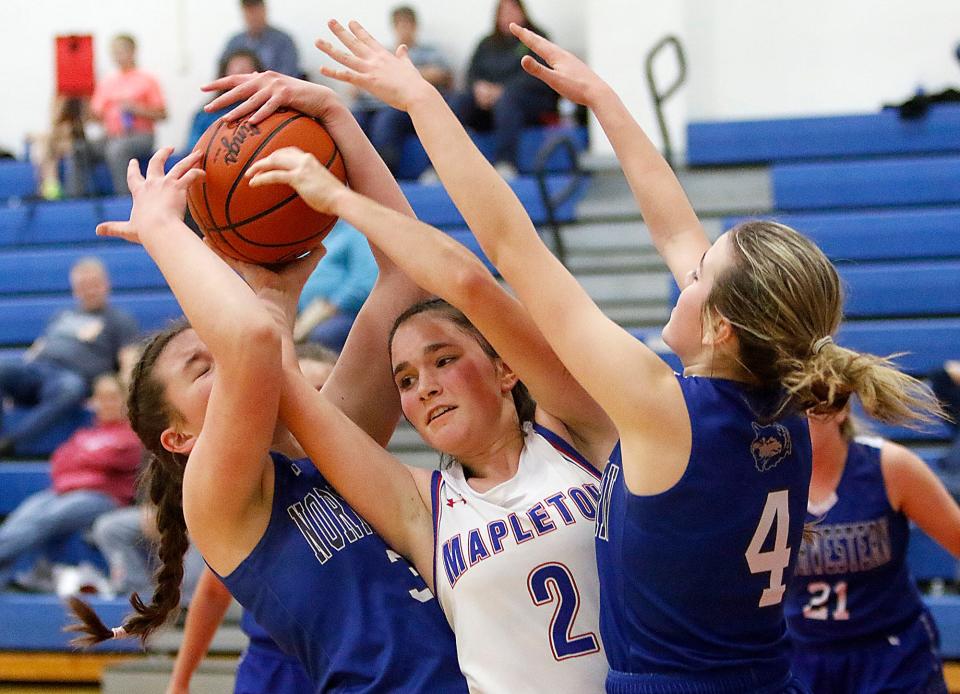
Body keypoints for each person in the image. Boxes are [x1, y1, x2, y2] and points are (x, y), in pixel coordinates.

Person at [313, 19, 945, 692]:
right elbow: (675, 227)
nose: (687, 271)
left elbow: (508, 245)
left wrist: (416, 107)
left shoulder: (661, 406)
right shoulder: (784, 395)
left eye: (699, 277)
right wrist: (605, 101)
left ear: (722, 326)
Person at [207, 63, 617, 691]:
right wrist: (266, 291)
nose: (422, 386)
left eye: (444, 360)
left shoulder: (580, 431)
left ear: (506, 367)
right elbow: (292, 395)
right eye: (403, 379)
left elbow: (459, 278)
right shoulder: (422, 506)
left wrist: (338, 119)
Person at [65, 88, 467, 692]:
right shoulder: (218, 500)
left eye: (215, 349)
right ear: (181, 437)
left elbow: (407, 268)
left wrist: (336, 118)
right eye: (205, 368)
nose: (225, 364)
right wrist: (161, 228)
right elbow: (250, 342)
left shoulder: (327, 445)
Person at [166, 343, 336, 694]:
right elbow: (213, 594)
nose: (308, 404)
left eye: (321, 392)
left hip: (351, 663)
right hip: (274, 668)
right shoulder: (252, 492)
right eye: (297, 392)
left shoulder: (364, 478)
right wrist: (180, 680)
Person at [784, 407, 957, 693]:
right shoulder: (766, 474)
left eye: (807, 411)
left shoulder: (889, 465)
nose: (795, 423)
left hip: (891, 653)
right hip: (801, 654)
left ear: (839, 411)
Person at [0, 374, 141, 590]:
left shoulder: (134, 435)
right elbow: (60, 460)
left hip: (104, 497)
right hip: (64, 491)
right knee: (26, 512)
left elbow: (120, 459)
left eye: (113, 397)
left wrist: (82, 461)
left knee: (45, 518)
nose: (107, 404)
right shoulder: (85, 434)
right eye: (102, 398)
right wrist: (89, 462)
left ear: (125, 400)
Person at [0, 257, 139, 456]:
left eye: (94, 284)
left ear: (106, 284)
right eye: (83, 285)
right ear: (75, 289)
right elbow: (37, 349)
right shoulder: (61, 316)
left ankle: (11, 442)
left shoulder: (120, 320)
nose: (89, 290)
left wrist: (121, 394)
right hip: (38, 370)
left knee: (70, 389)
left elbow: (129, 361)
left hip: (71, 377)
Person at [448, 0, 557, 178]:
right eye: (503, 12)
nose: (508, 16)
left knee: (507, 99)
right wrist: (479, 88)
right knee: (459, 101)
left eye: (512, 10)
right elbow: (472, 74)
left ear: (522, 12)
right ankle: (441, 165)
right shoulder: (486, 43)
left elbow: (541, 75)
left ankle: (505, 163)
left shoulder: (537, 38)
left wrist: (501, 90)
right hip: (487, 107)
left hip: (526, 104)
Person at [351, 5, 452, 175]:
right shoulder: (382, 53)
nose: (404, 29)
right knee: (352, 119)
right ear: (394, 27)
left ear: (415, 26)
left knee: (386, 121)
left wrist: (399, 75)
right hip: (369, 104)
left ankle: (386, 175)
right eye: (400, 25)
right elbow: (356, 85)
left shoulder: (429, 52)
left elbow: (442, 74)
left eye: (408, 24)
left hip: (399, 106)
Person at [66, 34, 166, 196]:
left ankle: (125, 199)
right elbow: (95, 116)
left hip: (140, 135)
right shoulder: (107, 82)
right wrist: (81, 97)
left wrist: (136, 109)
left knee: (117, 150)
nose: (118, 56)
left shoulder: (147, 80)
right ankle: (75, 200)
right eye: (115, 52)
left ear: (133, 51)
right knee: (79, 149)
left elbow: (162, 114)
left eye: (122, 51)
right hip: (112, 135)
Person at [293, 220, 377, 351]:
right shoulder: (302, 236)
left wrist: (327, 308)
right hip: (303, 314)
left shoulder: (354, 231)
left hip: (345, 314)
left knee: (324, 335)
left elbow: (365, 283)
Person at [185, 49, 264, 151]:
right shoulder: (206, 113)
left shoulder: (270, 109)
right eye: (235, 70)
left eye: (245, 70)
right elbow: (193, 149)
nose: (239, 73)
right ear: (224, 75)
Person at [220, 0, 300, 78]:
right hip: (240, 89)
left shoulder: (283, 41)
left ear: (264, 10)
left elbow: (288, 77)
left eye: (256, 11)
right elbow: (222, 73)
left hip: (273, 89)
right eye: (249, 12)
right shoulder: (234, 42)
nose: (252, 16)